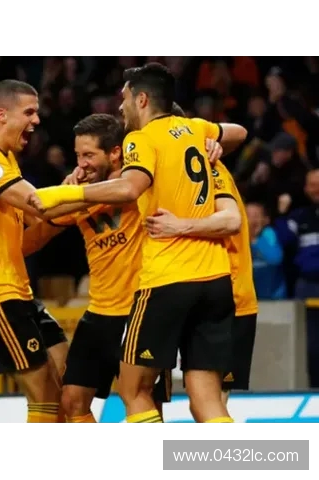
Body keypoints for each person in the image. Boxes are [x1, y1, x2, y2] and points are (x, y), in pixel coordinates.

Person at [28, 63, 248, 423]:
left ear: (142, 100)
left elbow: (130, 188)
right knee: (204, 400)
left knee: (134, 392)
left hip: (163, 284)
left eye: (125, 98)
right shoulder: (195, 132)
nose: (121, 106)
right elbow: (239, 134)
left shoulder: (141, 143)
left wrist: (58, 193)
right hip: (212, 280)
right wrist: (215, 143)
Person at [0, 79, 90, 422]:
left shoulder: (7, 160)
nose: (36, 120)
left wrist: (72, 202)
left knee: (69, 383)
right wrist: (103, 193)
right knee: (45, 397)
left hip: (20, 292)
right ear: (1, 114)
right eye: (29, 112)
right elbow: (39, 203)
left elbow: (37, 226)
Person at [22, 113, 171, 423]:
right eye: (78, 155)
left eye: (89, 155)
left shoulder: (139, 184)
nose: (82, 164)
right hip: (100, 312)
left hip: (140, 309)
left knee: (143, 399)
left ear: (115, 153)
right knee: (72, 400)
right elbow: (33, 239)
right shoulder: (82, 193)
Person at [144, 103, 258, 416]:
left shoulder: (210, 167)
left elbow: (231, 220)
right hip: (182, 289)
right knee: (157, 396)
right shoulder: (166, 173)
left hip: (228, 296)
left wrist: (178, 226)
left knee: (209, 402)